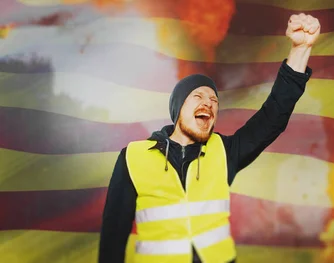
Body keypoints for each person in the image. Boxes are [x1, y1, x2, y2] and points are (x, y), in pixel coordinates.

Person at [98, 13, 320, 263]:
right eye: (198, 97)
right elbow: (113, 234)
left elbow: (274, 117)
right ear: (178, 109)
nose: (209, 103)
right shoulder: (133, 156)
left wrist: (301, 49)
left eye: (214, 100)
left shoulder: (226, 151)